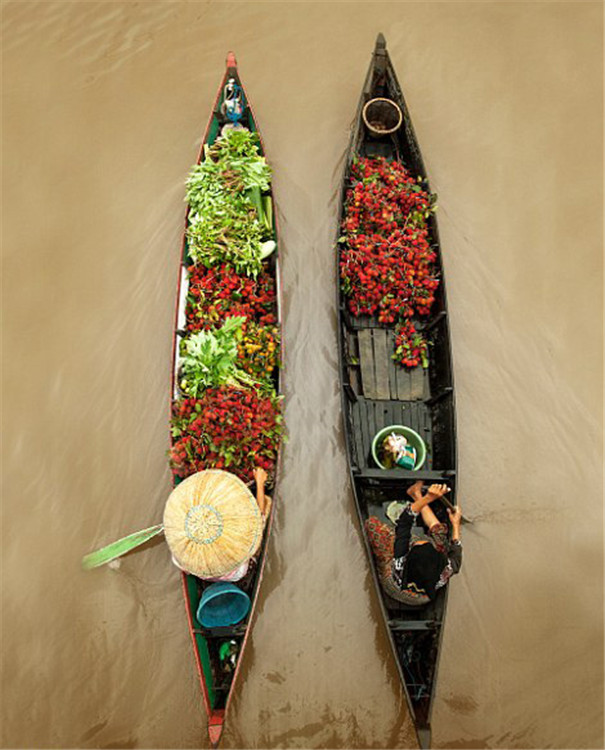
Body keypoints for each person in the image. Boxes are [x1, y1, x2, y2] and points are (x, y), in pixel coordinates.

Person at [365, 481, 463, 606]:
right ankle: (416, 494)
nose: (419, 540)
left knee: (372, 525)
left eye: (415, 545)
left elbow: (404, 522)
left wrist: (429, 498)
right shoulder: (446, 569)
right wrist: (455, 524)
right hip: (425, 592)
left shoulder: (399, 564)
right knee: (439, 533)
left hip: (396, 587)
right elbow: (456, 552)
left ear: (408, 555)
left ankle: (418, 497)